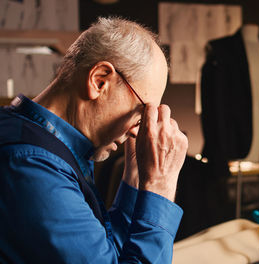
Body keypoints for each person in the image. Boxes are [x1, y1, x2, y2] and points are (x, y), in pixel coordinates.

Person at [0, 17, 188, 263]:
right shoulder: (31, 166)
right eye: (140, 112)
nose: (137, 130)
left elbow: (111, 254)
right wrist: (160, 186)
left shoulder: (39, 142)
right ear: (99, 81)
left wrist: (134, 180)